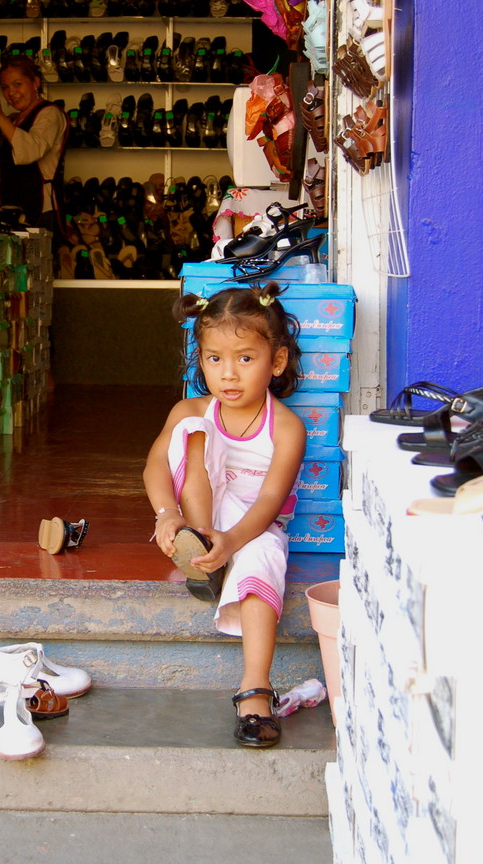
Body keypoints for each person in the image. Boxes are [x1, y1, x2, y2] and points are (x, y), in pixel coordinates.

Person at [143, 281, 306, 748]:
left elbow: (271, 501)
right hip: (198, 513)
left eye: (245, 358)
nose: (228, 374)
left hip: (251, 525)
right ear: (201, 360)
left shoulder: (287, 427)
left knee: (262, 565)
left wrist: (233, 541)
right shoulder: (191, 409)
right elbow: (155, 465)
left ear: (275, 362)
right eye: (215, 359)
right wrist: (166, 515)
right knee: (192, 429)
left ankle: (255, 690)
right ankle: (197, 546)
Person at [0, 55, 69, 229]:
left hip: (41, 208)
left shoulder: (50, 113)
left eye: (17, 84)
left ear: (35, 83)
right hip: (15, 206)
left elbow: (31, 151)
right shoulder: (15, 120)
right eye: (5, 87)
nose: (11, 93)